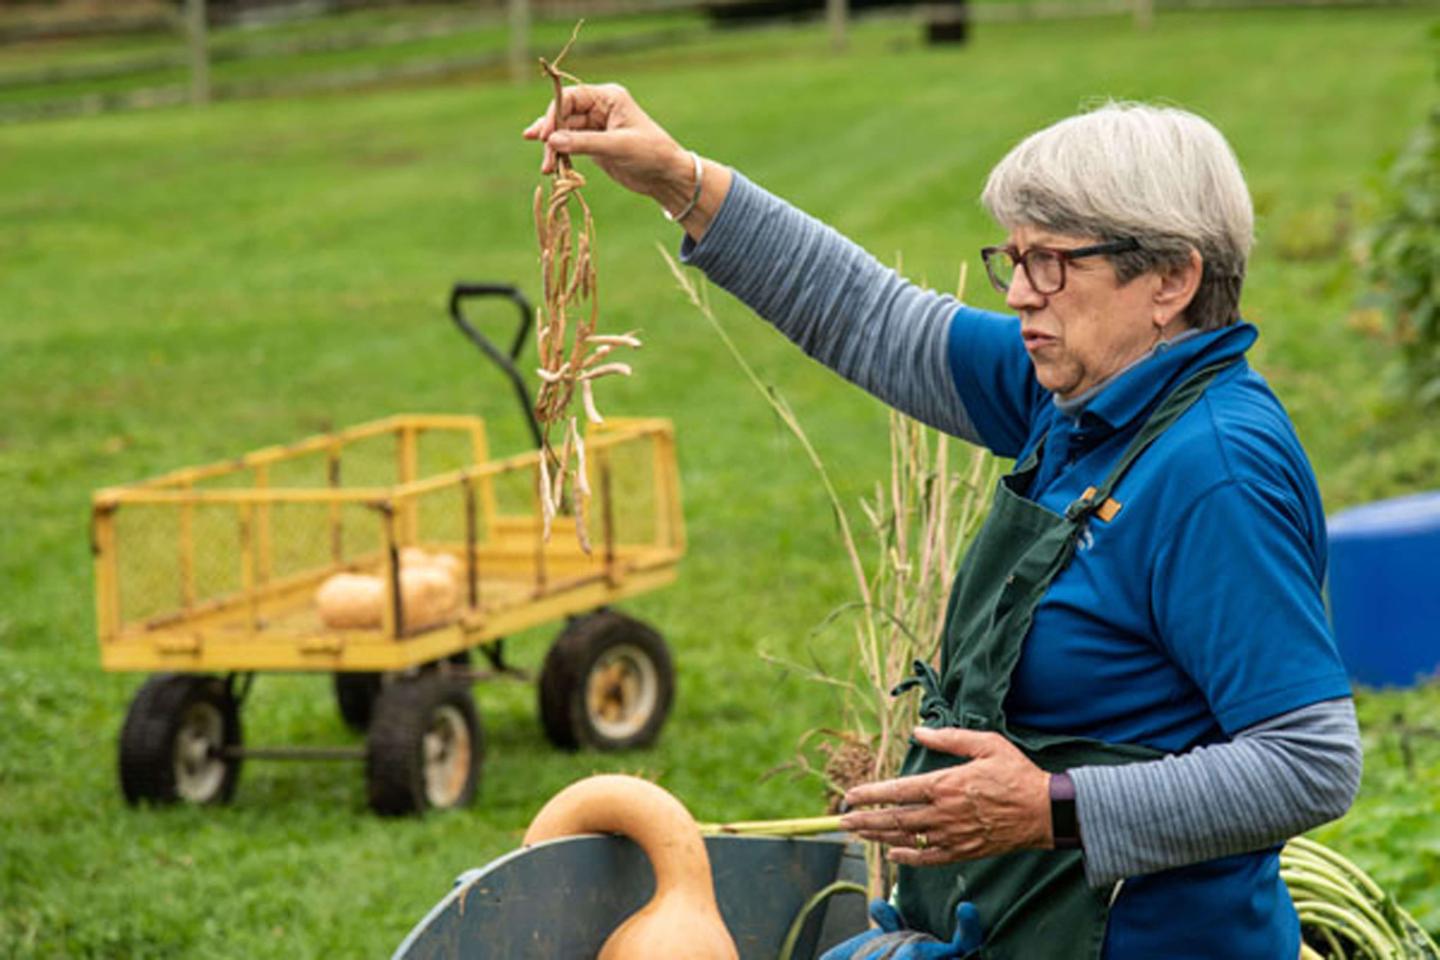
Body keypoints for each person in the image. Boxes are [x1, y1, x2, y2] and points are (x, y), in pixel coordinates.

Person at [524, 87, 1362, 959]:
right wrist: (677, 179)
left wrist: (1049, 806)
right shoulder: (1084, 395)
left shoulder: (1212, 473)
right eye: (1015, 260)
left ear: (1172, 279)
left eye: (1054, 264)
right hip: (1010, 929)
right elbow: (869, 316)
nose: (1023, 297)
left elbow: (1310, 761)